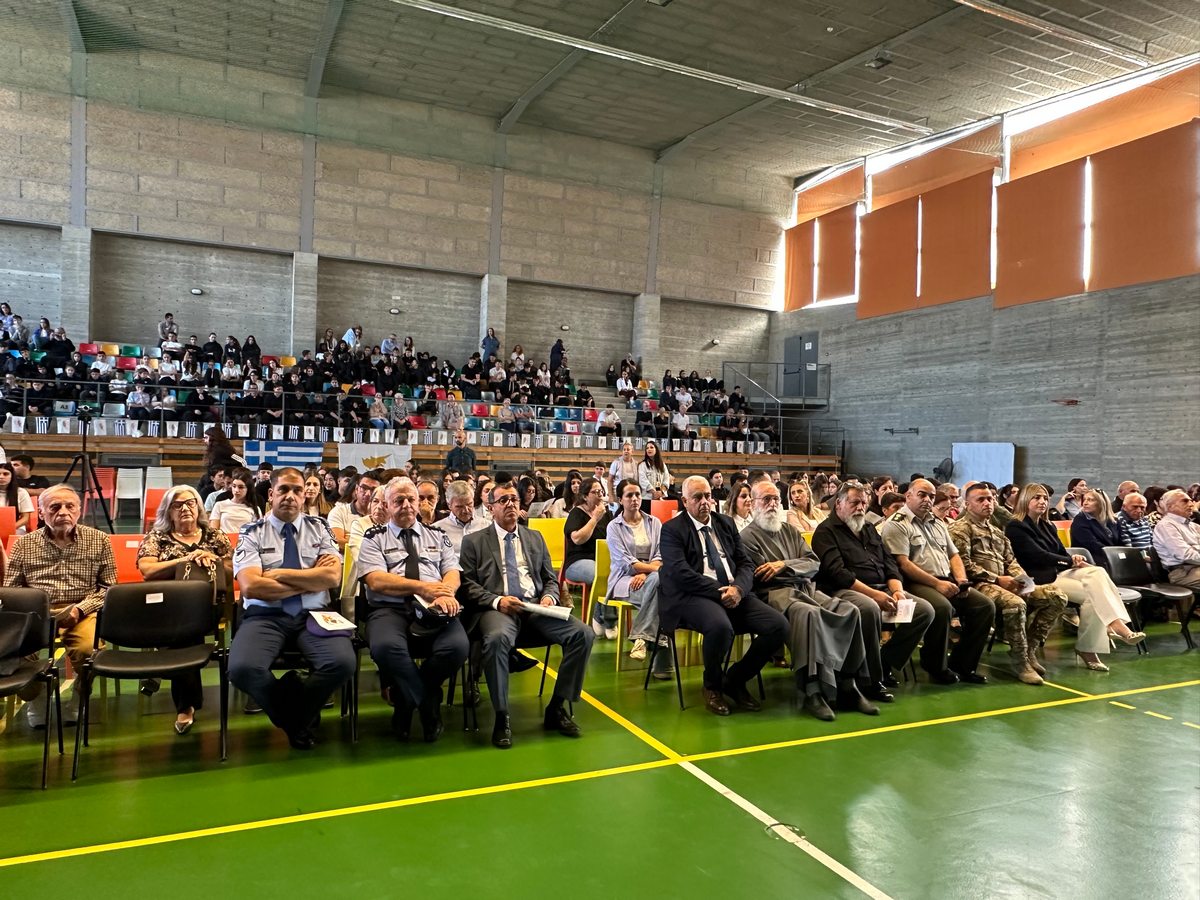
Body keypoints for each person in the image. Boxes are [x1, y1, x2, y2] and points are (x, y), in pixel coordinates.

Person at [458, 480, 594, 749]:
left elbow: (550, 578)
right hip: (498, 608)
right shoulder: (474, 541)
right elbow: (467, 586)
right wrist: (497, 600)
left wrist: (549, 596)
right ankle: (502, 716)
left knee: (583, 634)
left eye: (514, 500)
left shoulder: (534, 537)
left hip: (535, 607)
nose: (510, 504)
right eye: (503, 500)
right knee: (497, 639)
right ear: (490, 507)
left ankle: (556, 707)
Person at [228, 468, 353, 750]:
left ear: (305, 496)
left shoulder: (320, 528)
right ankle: (298, 720)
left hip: (316, 615)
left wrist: (278, 575)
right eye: (283, 490)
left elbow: (332, 577)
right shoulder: (251, 532)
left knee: (342, 663)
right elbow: (251, 587)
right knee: (242, 669)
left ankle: (293, 714)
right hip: (265, 616)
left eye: (297, 490)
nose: (291, 496)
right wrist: (309, 581)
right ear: (271, 495)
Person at [740, 480, 876, 721]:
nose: (772, 504)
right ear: (753, 503)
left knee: (849, 609)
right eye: (766, 499)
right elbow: (764, 574)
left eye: (776, 499)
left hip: (806, 588)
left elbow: (813, 563)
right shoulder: (746, 537)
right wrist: (794, 569)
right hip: (776, 595)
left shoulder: (790, 531)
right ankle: (812, 689)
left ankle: (848, 683)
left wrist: (784, 565)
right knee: (808, 614)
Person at [658, 476, 787, 716]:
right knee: (720, 627)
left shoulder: (725, 523)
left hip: (733, 591)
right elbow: (680, 573)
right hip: (692, 595)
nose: (704, 502)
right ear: (685, 501)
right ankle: (712, 686)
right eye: (697, 498)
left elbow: (745, 564)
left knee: (778, 626)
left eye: (708, 496)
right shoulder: (672, 529)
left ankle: (735, 680)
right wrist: (721, 592)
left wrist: (738, 589)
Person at [357, 477, 469, 742]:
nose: (406, 505)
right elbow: (376, 580)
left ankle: (405, 700)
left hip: (434, 608)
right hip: (390, 609)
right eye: (398, 500)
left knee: (457, 647)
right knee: (385, 647)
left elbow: (452, 572)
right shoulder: (374, 537)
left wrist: (444, 593)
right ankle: (428, 705)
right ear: (386, 505)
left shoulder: (438, 535)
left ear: (419, 503)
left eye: (411, 499)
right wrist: (423, 588)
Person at [810, 481, 935, 702]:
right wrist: (875, 595)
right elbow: (838, 573)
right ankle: (870, 681)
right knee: (869, 609)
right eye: (854, 503)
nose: (860, 507)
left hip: (883, 587)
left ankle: (884, 663)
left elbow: (889, 563)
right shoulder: (825, 532)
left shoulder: (867, 528)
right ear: (838, 504)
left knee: (924, 610)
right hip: (843, 590)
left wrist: (897, 591)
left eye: (864, 503)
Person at [5, 485, 116, 726]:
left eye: (70, 506)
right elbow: (11, 590)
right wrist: (38, 611)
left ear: (79, 511)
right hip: (36, 613)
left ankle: (79, 695)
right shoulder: (24, 545)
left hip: (82, 609)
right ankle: (37, 696)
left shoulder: (99, 540)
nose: (63, 512)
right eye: (55, 507)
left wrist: (80, 609)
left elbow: (108, 588)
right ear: (41, 512)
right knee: (13, 653)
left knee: (88, 651)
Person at [1006, 483, 1144, 672]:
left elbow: (1060, 552)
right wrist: (1069, 561)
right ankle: (1102, 638)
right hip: (1037, 578)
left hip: (1056, 572)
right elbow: (1038, 556)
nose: (1042, 501)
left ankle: (1113, 627)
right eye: (1036, 497)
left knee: (1097, 572)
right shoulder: (1016, 526)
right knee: (1094, 595)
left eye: (1045, 498)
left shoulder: (1047, 525)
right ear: (1024, 500)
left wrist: (1076, 561)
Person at [137, 486, 234, 734]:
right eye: (177, 505)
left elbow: (234, 569)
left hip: (210, 606)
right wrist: (184, 560)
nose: (185, 509)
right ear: (168, 511)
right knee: (185, 632)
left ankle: (176, 691)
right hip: (168, 610)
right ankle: (186, 702)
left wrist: (212, 559)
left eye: (190, 503)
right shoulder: (158, 537)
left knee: (184, 631)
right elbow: (147, 570)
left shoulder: (214, 536)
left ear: (199, 507)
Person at [949, 484, 1067, 685]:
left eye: (990, 499)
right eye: (981, 499)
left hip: (1004, 583)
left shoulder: (997, 532)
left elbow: (1010, 561)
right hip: (978, 584)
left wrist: (1024, 582)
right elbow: (964, 564)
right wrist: (997, 579)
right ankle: (1021, 662)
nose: (987, 503)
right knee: (1016, 604)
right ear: (967, 504)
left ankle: (1029, 650)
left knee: (1057, 596)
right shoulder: (960, 529)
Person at [879, 480, 994, 685]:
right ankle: (935, 666)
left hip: (946, 579)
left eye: (931, 496)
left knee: (984, 606)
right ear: (908, 496)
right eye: (922, 495)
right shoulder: (897, 524)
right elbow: (903, 564)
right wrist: (936, 584)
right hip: (914, 582)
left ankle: (963, 665)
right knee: (942, 608)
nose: (927, 500)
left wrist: (961, 580)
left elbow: (953, 555)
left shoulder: (937, 523)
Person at [605, 479, 671, 677]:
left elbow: (661, 554)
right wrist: (647, 571)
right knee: (662, 589)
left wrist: (646, 573)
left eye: (637, 495)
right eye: (629, 495)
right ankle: (662, 663)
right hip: (624, 580)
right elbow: (626, 563)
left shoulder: (654, 522)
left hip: (650, 578)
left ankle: (641, 638)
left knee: (658, 587)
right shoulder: (613, 527)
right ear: (620, 499)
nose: (634, 499)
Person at [561, 477, 613, 636]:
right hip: (577, 562)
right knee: (600, 574)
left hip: (602, 560)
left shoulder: (607, 514)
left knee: (615, 573)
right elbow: (577, 539)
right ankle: (608, 619)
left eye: (601, 491)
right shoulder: (576, 513)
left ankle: (599, 616)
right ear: (585, 496)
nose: (600, 495)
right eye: (595, 492)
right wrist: (594, 519)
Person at [1153, 489, 1200, 590]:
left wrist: (1194, 548)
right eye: (1185, 501)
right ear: (1170, 506)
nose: (1191, 504)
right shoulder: (1166, 526)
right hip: (1182, 572)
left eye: (1190, 501)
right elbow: (1184, 555)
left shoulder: (1194, 526)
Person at [1069, 490, 1123, 572]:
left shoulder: (1113, 520)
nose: (1085, 503)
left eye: (1090, 500)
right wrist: (1114, 554)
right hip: (1091, 559)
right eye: (1084, 499)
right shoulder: (1080, 520)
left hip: (1111, 557)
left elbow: (1121, 542)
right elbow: (1093, 545)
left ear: (1102, 503)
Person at [328, 470, 381, 548]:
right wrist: (374, 543)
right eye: (364, 488)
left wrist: (352, 538)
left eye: (373, 490)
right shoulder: (338, 512)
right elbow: (337, 542)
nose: (368, 494)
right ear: (356, 489)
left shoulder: (383, 515)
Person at [438, 480, 488, 555]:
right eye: (459, 507)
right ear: (449, 505)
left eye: (469, 504)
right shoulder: (438, 530)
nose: (466, 510)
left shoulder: (486, 526)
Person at [211, 467, 263, 534]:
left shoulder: (255, 509)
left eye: (241, 487)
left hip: (245, 540)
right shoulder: (219, 505)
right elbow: (213, 531)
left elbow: (258, 534)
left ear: (248, 488)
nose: (236, 490)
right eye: (234, 486)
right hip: (224, 539)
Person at [0, 461, 34, 532]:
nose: (1, 477)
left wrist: (9, 528)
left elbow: (25, 518)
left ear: (12, 476)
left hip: (15, 528)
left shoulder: (21, 492)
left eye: (5, 474)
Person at [637, 440, 671, 510]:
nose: (649, 449)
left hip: (661, 497)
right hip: (647, 498)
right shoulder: (642, 465)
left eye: (651, 447)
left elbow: (666, 479)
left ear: (656, 450)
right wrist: (654, 492)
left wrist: (661, 492)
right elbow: (643, 481)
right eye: (647, 448)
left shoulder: (662, 465)